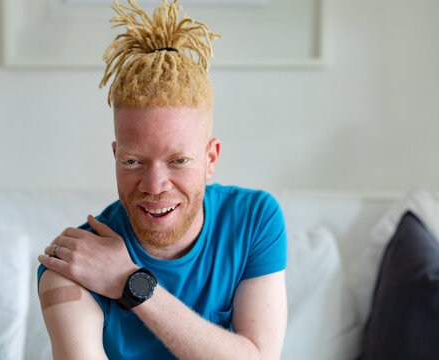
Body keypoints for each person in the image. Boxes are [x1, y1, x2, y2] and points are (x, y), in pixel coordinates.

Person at [37, 0, 287, 359]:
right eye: (133, 161)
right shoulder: (73, 267)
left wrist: (131, 282)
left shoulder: (254, 220)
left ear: (210, 158)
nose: (154, 185)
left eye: (179, 160)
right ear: (115, 157)